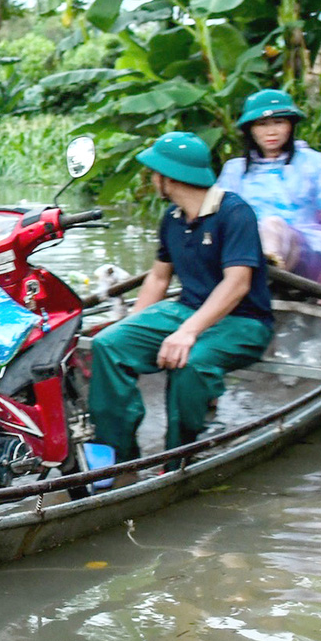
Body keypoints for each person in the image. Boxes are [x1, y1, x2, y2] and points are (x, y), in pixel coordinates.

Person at [88, 131, 273, 465]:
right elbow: (159, 278)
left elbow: (237, 284)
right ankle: (119, 458)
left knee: (193, 363)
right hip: (186, 309)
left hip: (243, 321)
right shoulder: (172, 218)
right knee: (108, 344)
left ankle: (179, 457)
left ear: (168, 178)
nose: (152, 179)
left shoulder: (235, 213)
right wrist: (131, 326)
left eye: (154, 173)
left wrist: (188, 332)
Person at [216, 88, 321, 286]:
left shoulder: (315, 163)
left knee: (272, 225)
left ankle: (268, 270)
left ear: (290, 126)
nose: (271, 131)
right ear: (250, 129)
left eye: (279, 122)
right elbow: (218, 221)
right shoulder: (234, 170)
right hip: (244, 254)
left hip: (308, 255)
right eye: (262, 124)